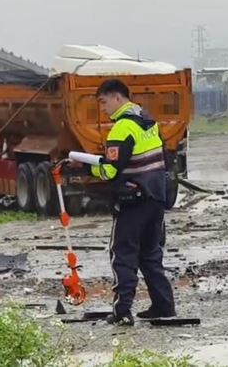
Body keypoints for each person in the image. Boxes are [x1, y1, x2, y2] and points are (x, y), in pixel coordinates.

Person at [74, 78, 176, 326]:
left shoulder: (121, 128)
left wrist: (86, 168)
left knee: (123, 254)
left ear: (117, 98)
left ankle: (122, 312)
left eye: (104, 101)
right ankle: (164, 305)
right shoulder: (147, 121)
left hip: (134, 201)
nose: (103, 108)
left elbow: (110, 171)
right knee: (150, 254)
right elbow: (159, 157)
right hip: (155, 198)